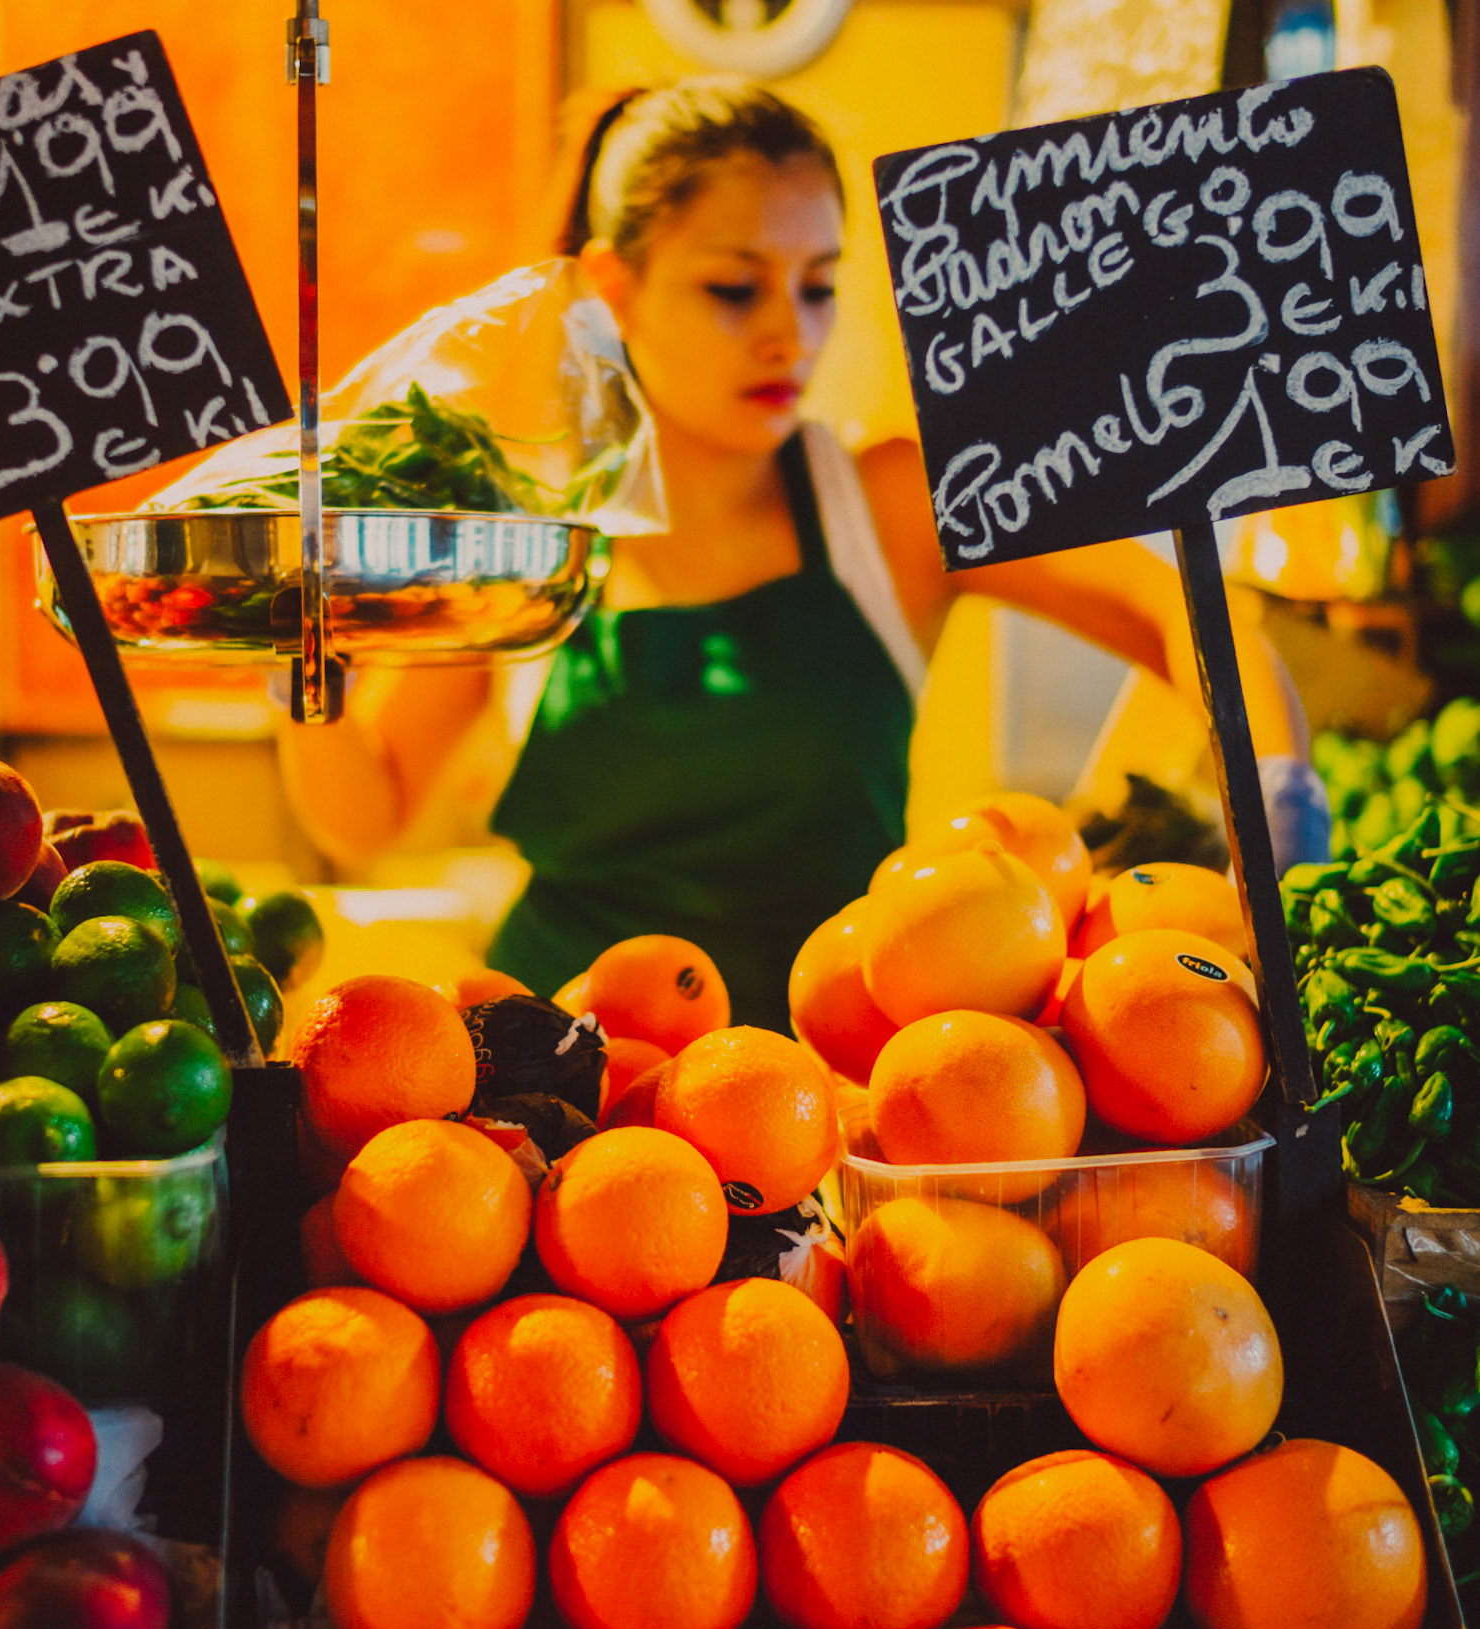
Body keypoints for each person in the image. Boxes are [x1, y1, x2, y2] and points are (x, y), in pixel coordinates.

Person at [279, 81, 1326, 1031]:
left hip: (842, 1098)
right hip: (566, 1100)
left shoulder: (889, 507)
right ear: (614, 291)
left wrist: (1276, 778)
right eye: (737, 290)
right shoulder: (526, 537)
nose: (791, 335)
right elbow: (363, 812)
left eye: (819, 287)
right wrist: (293, 634)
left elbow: (1169, 605)